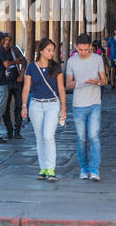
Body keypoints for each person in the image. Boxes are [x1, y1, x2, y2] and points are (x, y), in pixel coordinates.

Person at [21, 38, 66, 182]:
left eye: (53, 50)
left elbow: (60, 88)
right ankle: (43, 168)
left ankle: (51, 168)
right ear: (41, 51)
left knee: (48, 136)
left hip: (52, 104)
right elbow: (26, 88)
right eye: (49, 50)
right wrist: (24, 105)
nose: (52, 53)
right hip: (35, 105)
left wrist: (63, 108)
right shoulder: (31, 67)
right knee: (39, 138)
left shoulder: (56, 67)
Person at [66, 33, 106, 182]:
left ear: (91, 47)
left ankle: (95, 169)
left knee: (94, 137)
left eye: (86, 50)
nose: (83, 53)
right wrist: (79, 82)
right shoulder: (71, 61)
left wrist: (98, 81)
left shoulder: (98, 59)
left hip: (95, 103)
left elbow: (105, 80)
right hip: (78, 105)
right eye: (80, 50)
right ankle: (84, 168)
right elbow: (67, 85)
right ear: (76, 47)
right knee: (82, 138)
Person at [2, 33, 27, 140]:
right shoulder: (0, 51)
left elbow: (24, 61)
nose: (7, 42)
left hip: (17, 81)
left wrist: (21, 75)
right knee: (5, 108)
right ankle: (9, 130)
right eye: (5, 40)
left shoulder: (14, 50)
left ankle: (17, 131)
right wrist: (14, 61)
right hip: (5, 82)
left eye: (9, 40)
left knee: (19, 106)